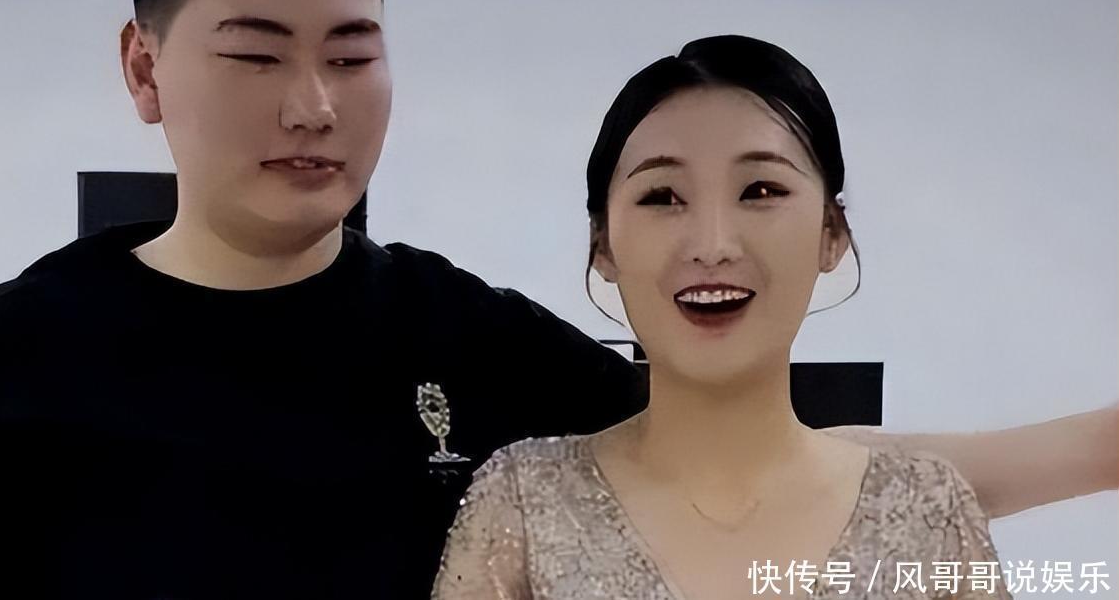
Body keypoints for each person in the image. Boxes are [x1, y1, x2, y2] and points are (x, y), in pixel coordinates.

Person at [0, 0, 1114, 598]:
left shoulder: (456, 336)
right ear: (144, 67)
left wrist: (1099, 446)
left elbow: (774, 466)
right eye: (258, 56)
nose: (313, 105)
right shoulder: (19, 361)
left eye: (352, 55)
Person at [432, 36, 1016, 598]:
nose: (712, 246)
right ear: (602, 243)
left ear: (832, 233)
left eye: (760, 191)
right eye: (662, 197)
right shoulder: (523, 501)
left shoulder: (929, 509)